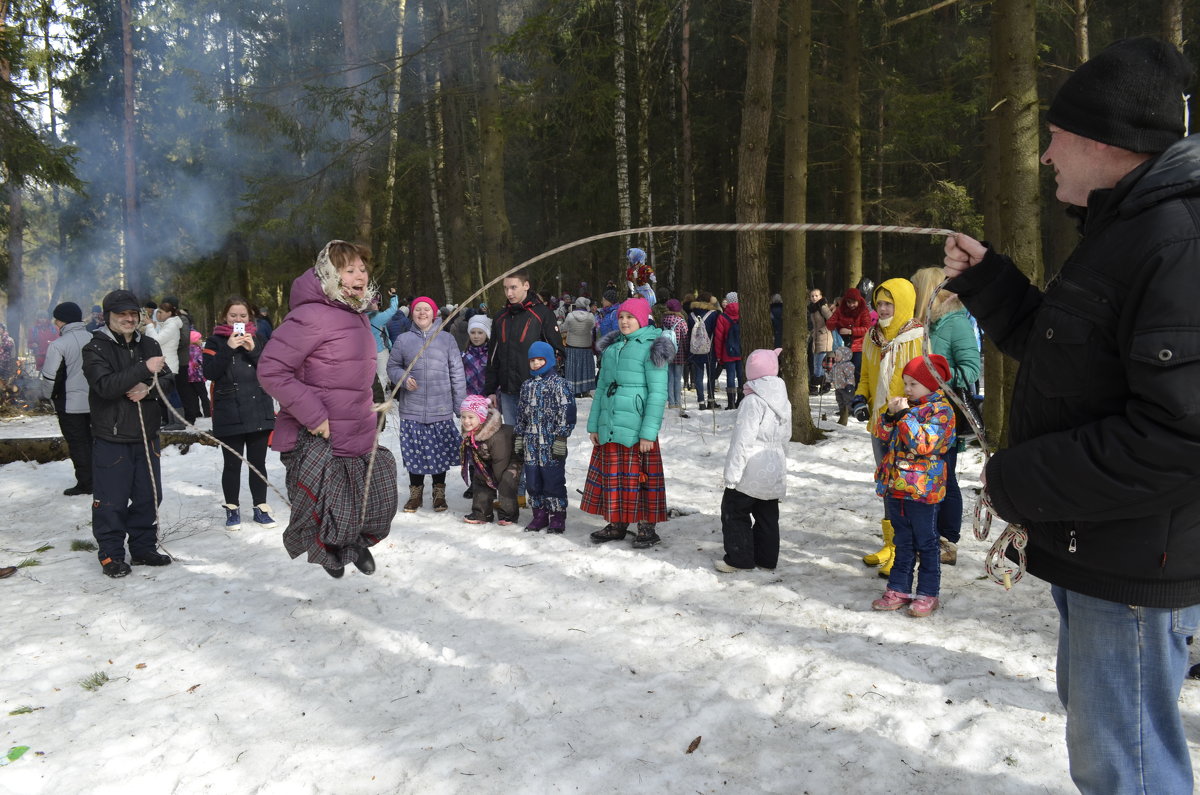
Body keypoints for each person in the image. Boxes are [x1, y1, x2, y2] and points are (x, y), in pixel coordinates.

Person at [942, 36, 1200, 793]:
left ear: (1103, 142)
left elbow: (1179, 436)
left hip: (1132, 560)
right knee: (1111, 749)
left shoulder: (1175, 242)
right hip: (1104, 544)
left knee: (1129, 764)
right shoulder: (1123, 230)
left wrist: (1021, 481)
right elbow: (1077, 362)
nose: (1047, 153)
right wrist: (992, 283)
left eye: (1056, 136)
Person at [258, 240, 398, 578]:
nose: (360, 275)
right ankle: (328, 551)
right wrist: (315, 416)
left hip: (356, 427)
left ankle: (349, 545)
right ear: (329, 275)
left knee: (369, 496)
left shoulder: (357, 314)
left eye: (362, 269)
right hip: (318, 434)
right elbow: (271, 370)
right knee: (327, 505)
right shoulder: (310, 316)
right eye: (349, 270)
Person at [82, 289, 175, 577]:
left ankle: (144, 547)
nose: (128, 319)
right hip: (112, 437)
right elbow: (106, 387)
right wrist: (142, 370)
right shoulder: (95, 349)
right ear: (107, 316)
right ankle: (111, 554)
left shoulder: (149, 344)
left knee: (150, 496)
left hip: (146, 435)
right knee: (112, 499)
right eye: (121, 314)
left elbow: (168, 377)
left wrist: (148, 388)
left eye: (133, 314)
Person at [583, 297, 672, 549]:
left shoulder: (653, 347)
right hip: (611, 423)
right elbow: (601, 389)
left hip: (637, 427)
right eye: (621, 316)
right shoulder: (612, 348)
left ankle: (646, 525)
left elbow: (657, 394)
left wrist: (648, 432)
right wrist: (594, 426)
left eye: (630, 317)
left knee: (640, 478)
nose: (624, 321)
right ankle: (616, 521)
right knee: (615, 477)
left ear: (642, 320)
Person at [870, 354, 955, 617]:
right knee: (902, 540)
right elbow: (883, 436)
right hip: (897, 486)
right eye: (906, 383)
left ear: (932, 384)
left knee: (926, 542)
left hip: (923, 489)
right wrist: (889, 416)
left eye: (913, 384)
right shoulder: (909, 407)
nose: (907, 389)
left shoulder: (942, 411)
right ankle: (899, 588)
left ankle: (928, 593)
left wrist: (905, 416)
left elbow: (923, 444)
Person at [910, 266, 982, 566]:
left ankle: (947, 540)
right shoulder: (919, 325)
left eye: (917, 289)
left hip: (944, 413)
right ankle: (925, 535)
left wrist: (937, 379)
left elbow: (971, 369)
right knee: (925, 476)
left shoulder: (955, 323)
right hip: (920, 413)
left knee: (945, 477)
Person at [852, 278, 924, 578]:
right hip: (879, 425)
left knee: (903, 489)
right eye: (879, 303)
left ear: (903, 304)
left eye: (888, 303)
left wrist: (910, 413)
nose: (882, 308)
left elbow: (923, 384)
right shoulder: (872, 337)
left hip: (906, 426)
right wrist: (860, 397)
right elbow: (867, 376)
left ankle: (906, 550)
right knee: (885, 486)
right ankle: (890, 545)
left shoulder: (917, 338)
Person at [203, 297, 278, 531]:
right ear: (225, 316)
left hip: (258, 409)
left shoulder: (259, 339)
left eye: (242, 316)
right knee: (232, 464)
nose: (238, 320)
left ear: (250, 318)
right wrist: (229, 348)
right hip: (229, 411)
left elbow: (271, 371)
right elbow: (210, 372)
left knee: (258, 463)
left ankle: (261, 507)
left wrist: (253, 351)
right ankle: (232, 509)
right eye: (233, 315)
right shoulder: (214, 341)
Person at [387, 295, 466, 513]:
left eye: (427, 309)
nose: (422, 313)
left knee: (438, 452)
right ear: (412, 313)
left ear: (434, 313)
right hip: (412, 408)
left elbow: (457, 373)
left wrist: (460, 406)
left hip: (440, 407)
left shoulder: (446, 339)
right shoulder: (403, 340)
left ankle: (439, 492)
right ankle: (416, 493)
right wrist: (401, 378)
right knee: (414, 453)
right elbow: (392, 367)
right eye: (418, 309)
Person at [715, 348, 791, 572]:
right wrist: (781, 462)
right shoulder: (783, 400)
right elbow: (786, 436)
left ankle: (739, 558)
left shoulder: (753, 402)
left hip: (751, 466)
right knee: (767, 512)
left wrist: (732, 473)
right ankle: (766, 558)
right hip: (774, 462)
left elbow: (742, 440)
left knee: (734, 510)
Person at [484, 269, 564, 434]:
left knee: (537, 437)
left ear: (526, 285)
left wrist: (549, 385)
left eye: (513, 287)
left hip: (537, 391)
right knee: (514, 438)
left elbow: (558, 352)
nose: (509, 292)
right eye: (505, 288)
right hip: (507, 391)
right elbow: (493, 357)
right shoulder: (500, 317)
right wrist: (490, 390)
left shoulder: (542, 314)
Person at [515, 341, 576, 533]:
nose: (535, 364)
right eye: (532, 361)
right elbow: (522, 412)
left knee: (553, 481)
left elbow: (567, 411)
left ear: (549, 360)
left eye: (540, 360)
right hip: (531, 443)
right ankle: (539, 515)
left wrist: (561, 437)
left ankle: (557, 516)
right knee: (533, 481)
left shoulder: (560, 385)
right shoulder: (527, 386)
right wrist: (519, 435)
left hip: (551, 444)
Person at [39, 302, 93, 495]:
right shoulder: (94, 338)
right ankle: (100, 479)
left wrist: (46, 397)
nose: (55, 323)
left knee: (78, 443)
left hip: (69, 405)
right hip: (96, 402)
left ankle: (86, 483)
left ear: (61, 321)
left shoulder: (58, 345)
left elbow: (50, 377)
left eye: (56, 319)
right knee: (94, 440)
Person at [459, 395, 520, 525]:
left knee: (506, 479)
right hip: (491, 459)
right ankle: (481, 512)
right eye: (463, 417)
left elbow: (501, 461)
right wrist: (484, 473)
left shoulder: (496, 436)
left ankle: (508, 514)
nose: (466, 421)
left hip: (511, 457)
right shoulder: (471, 432)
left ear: (481, 418)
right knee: (480, 477)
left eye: (471, 417)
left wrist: (493, 481)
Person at [144, 299, 186, 431]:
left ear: (169, 313)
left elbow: (156, 340)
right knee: (166, 394)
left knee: (172, 394)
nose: (158, 314)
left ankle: (178, 422)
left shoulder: (172, 325)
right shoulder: (166, 324)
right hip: (164, 364)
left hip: (169, 364)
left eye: (161, 312)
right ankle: (170, 420)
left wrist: (150, 326)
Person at [825, 287, 873, 386]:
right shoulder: (840, 310)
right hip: (843, 347)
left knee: (857, 371)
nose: (851, 305)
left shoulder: (863, 310)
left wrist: (851, 331)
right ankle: (847, 394)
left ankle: (857, 393)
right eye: (849, 302)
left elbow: (867, 328)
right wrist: (836, 323)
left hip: (858, 346)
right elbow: (830, 324)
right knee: (844, 372)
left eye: (854, 302)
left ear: (858, 301)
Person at [686, 293, 720, 410]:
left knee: (698, 376)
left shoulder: (691, 315)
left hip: (695, 349)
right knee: (711, 375)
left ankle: (701, 402)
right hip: (710, 348)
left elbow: (689, 333)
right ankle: (711, 400)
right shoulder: (714, 314)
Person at [562, 297, 597, 398]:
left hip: (572, 345)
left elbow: (564, 328)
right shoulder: (590, 316)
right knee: (585, 368)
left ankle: (574, 390)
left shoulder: (570, 315)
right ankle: (585, 389)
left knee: (573, 368)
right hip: (586, 345)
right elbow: (593, 328)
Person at [713, 297, 743, 409]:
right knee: (741, 376)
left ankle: (731, 403)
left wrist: (719, 356)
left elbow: (719, 338)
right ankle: (740, 400)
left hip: (728, 351)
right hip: (741, 352)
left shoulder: (722, 317)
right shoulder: (743, 314)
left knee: (730, 377)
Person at [660, 299, 689, 414]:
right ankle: (678, 402)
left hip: (667, 352)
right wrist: (687, 352)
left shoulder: (664, 320)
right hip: (679, 353)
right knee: (678, 378)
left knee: (669, 377)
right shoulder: (681, 321)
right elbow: (685, 338)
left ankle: (671, 402)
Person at [368, 289, 400, 391]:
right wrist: (393, 296)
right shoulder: (378, 317)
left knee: (370, 377)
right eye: (376, 303)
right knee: (383, 375)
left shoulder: (361, 318)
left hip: (366, 352)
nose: (378, 305)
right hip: (380, 351)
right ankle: (378, 399)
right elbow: (393, 309)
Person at [180, 330, 211, 422]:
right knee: (203, 395)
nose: (201, 340)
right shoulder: (197, 350)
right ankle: (207, 412)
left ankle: (196, 412)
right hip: (197, 376)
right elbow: (201, 361)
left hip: (188, 377)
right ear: (194, 340)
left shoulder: (185, 350)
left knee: (193, 396)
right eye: (199, 339)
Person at [807, 289, 833, 393]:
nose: (814, 298)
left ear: (821, 296)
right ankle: (824, 385)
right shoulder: (813, 308)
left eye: (816, 296)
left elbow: (832, 319)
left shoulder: (822, 307)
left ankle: (815, 385)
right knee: (817, 363)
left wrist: (824, 330)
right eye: (812, 296)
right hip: (816, 337)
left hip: (824, 337)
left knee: (817, 363)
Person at [828, 344, 857, 426]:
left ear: (844, 356)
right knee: (839, 400)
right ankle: (842, 411)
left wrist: (850, 385)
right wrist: (827, 381)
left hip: (846, 387)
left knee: (848, 400)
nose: (835, 357)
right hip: (838, 387)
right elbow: (831, 374)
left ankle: (850, 411)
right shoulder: (835, 365)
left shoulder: (848, 365)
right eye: (835, 355)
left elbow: (850, 376)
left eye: (838, 356)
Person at [463, 315, 491, 397]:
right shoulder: (464, 356)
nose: (476, 336)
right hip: (468, 401)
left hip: (487, 401)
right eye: (472, 332)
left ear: (487, 334)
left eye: (480, 333)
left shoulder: (492, 356)